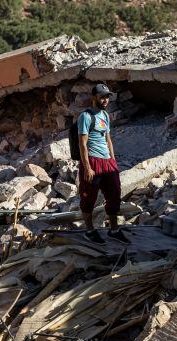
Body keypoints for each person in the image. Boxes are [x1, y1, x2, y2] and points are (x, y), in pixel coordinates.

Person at [77, 84, 127, 244]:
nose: (105, 100)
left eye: (107, 97)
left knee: (114, 195)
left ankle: (114, 230)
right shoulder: (85, 117)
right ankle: (90, 231)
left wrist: (113, 160)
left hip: (107, 162)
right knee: (88, 197)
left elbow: (108, 139)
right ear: (94, 98)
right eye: (102, 97)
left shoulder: (105, 115)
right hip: (92, 161)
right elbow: (82, 144)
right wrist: (87, 167)